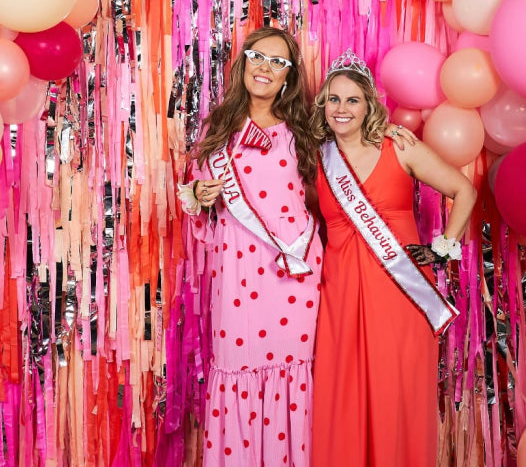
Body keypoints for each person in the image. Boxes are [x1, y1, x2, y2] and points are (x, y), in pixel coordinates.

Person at [177, 29, 416, 466]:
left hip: (296, 275)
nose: (265, 68)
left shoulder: (305, 130)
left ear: (288, 75)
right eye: (257, 57)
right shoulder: (216, 129)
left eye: (278, 62)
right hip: (237, 272)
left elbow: (350, 149)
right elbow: (196, 201)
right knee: (236, 368)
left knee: (297, 373)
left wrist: (390, 132)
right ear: (243, 63)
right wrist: (199, 196)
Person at [310, 50, 477, 467]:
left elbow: (465, 191)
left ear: (369, 104)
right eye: (333, 99)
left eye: (352, 100)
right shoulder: (317, 159)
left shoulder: (400, 147)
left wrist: (444, 246)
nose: (342, 108)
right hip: (340, 297)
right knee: (343, 393)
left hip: (400, 294)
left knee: (395, 391)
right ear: (322, 105)